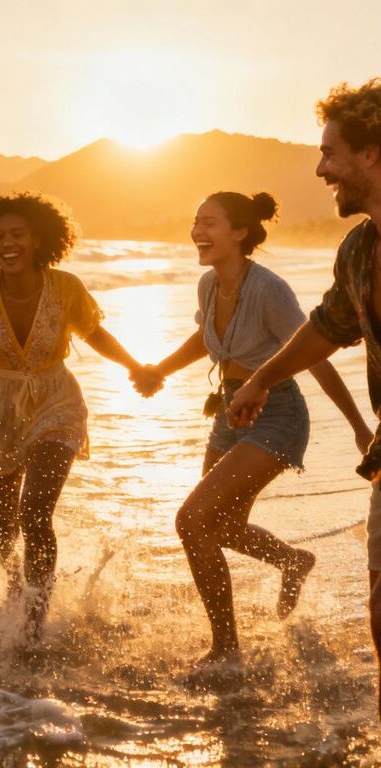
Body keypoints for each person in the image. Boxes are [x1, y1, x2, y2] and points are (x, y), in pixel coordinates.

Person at [131, 189, 372, 667]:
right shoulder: (208, 285)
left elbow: (315, 353)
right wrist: (160, 369)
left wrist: (360, 429)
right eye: (196, 221)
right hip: (228, 412)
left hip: (277, 414)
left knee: (192, 520)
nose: (198, 231)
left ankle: (225, 649)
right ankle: (292, 560)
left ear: (240, 232)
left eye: (210, 222)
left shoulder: (269, 289)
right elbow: (207, 339)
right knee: (220, 525)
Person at [0, 192, 146, 643]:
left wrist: (136, 367)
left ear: (38, 240)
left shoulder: (66, 287)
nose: (7, 243)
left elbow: (95, 334)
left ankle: (34, 621)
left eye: (17, 234)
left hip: (57, 400)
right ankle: (16, 583)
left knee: (35, 511)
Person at [227, 79, 381, 709]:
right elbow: (329, 326)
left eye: (330, 152)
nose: (320, 169)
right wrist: (263, 377)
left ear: (372, 152)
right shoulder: (359, 249)